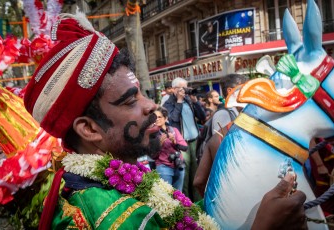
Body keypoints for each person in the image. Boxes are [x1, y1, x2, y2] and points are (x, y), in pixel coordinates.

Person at [22, 12, 307, 230]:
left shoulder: (120, 185)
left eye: (143, 95)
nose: (153, 105)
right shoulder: (110, 214)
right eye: (130, 101)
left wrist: (212, 200)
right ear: (88, 129)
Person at [163, 77, 206, 202]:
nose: (185, 91)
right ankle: (188, 202)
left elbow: (202, 116)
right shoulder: (168, 104)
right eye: (183, 88)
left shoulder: (189, 100)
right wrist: (179, 101)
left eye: (186, 87)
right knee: (185, 174)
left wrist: (196, 101)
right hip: (182, 143)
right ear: (174, 89)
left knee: (197, 172)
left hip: (195, 141)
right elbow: (173, 119)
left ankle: (199, 201)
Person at [154, 107, 187, 191]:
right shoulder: (152, 134)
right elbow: (152, 155)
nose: (157, 119)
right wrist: (159, 144)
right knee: (166, 195)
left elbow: (185, 147)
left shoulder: (174, 130)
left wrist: (174, 141)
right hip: (163, 167)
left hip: (178, 165)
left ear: (166, 119)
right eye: (155, 117)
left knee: (178, 195)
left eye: (159, 117)